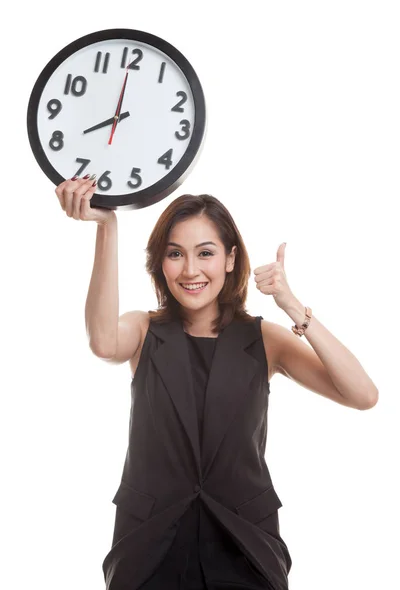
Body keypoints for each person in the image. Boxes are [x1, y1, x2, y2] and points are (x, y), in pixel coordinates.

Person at [55, 176, 379, 590]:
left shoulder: (263, 340)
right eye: (176, 254)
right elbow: (102, 342)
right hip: (149, 546)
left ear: (229, 259)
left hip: (245, 544)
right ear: (160, 262)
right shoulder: (143, 331)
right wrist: (108, 227)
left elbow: (363, 394)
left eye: (205, 253)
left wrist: (292, 305)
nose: (191, 270)